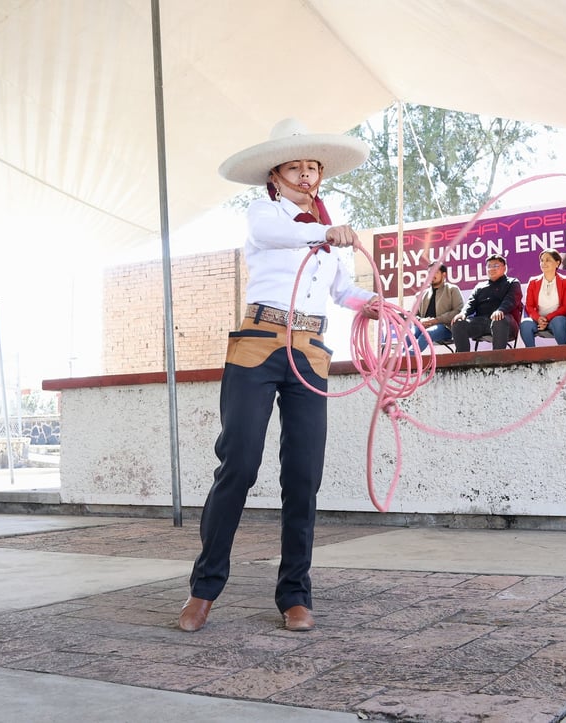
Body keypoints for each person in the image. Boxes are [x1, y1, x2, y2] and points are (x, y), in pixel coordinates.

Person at [178, 118, 380, 634]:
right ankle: (204, 588)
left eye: (313, 166)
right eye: (297, 166)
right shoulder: (265, 214)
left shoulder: (327, 232)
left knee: (304, 474)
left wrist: (374, 303)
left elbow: (341, 292)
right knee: (239, 463)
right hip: (258, 345)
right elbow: (275, 235)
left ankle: (295, 594)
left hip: (309, 351)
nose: (307, 174)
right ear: (277, 174)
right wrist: (323, 231)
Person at [451, 254, 522, 352]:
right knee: (458, 323)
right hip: (482, 323)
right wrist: (463, 313)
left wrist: (500, 310)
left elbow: (511, 300)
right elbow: (470, 303)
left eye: (496, 266)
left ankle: (498, 358)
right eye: (489, 266)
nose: (491, 269)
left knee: (499, 319)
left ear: (504, 268)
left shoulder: (513, 283)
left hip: (506, 323)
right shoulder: (480, 286)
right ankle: (463, 358)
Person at [519, 249, 566, 346]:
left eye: (548, 260)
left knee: (558, 321)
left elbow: (565, 307)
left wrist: (547, 318)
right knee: (525, 324)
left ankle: (565, 350)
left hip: (558, 319)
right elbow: (529, 306)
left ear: (557, 263)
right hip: (538, 321)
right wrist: (539, 318)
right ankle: (531, 353)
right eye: (542, 260)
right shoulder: (533, 281)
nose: (543, 263)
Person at [412, 263, 463, 352]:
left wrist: (436, 320)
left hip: (445, 328)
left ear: (444, 275)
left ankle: (408, 357)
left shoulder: (452, 289)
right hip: (423, 326)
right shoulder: (421, 294)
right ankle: (401, 358)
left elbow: (458, 311)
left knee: (427, 334)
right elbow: (412, 315)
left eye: (435, 272)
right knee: (409, 335)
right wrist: (420, 320)